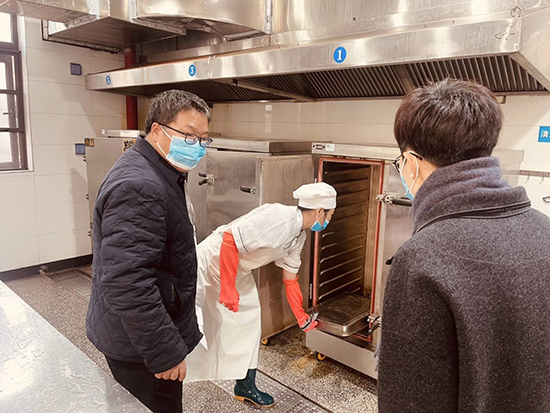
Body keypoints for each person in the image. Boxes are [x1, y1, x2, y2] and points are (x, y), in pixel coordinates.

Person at [378, 79, 550, 412]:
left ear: (411, 162)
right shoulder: (546, 230)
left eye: (400, 163)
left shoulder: (422, 258)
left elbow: (410, 400)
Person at [86, 90, 212, 413]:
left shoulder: (158, 170)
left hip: (138, 335)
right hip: (140, 347)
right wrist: (164, 352)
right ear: (157, 130)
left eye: (203, 139)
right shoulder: (141, 184)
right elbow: (128, 282)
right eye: (189, 135)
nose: (197, 146)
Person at [184, 182, 337, 407]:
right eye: (330, 215)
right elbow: (229, 239)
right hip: (212, 264)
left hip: (238, 271)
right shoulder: (279, 218)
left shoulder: (298, 237)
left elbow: (290, 279)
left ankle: (245, 386)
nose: (329, 220)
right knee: (194, 323)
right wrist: (228, 288)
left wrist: (301, 316)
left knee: (250, 322)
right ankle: (165, 373)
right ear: (320, 211)